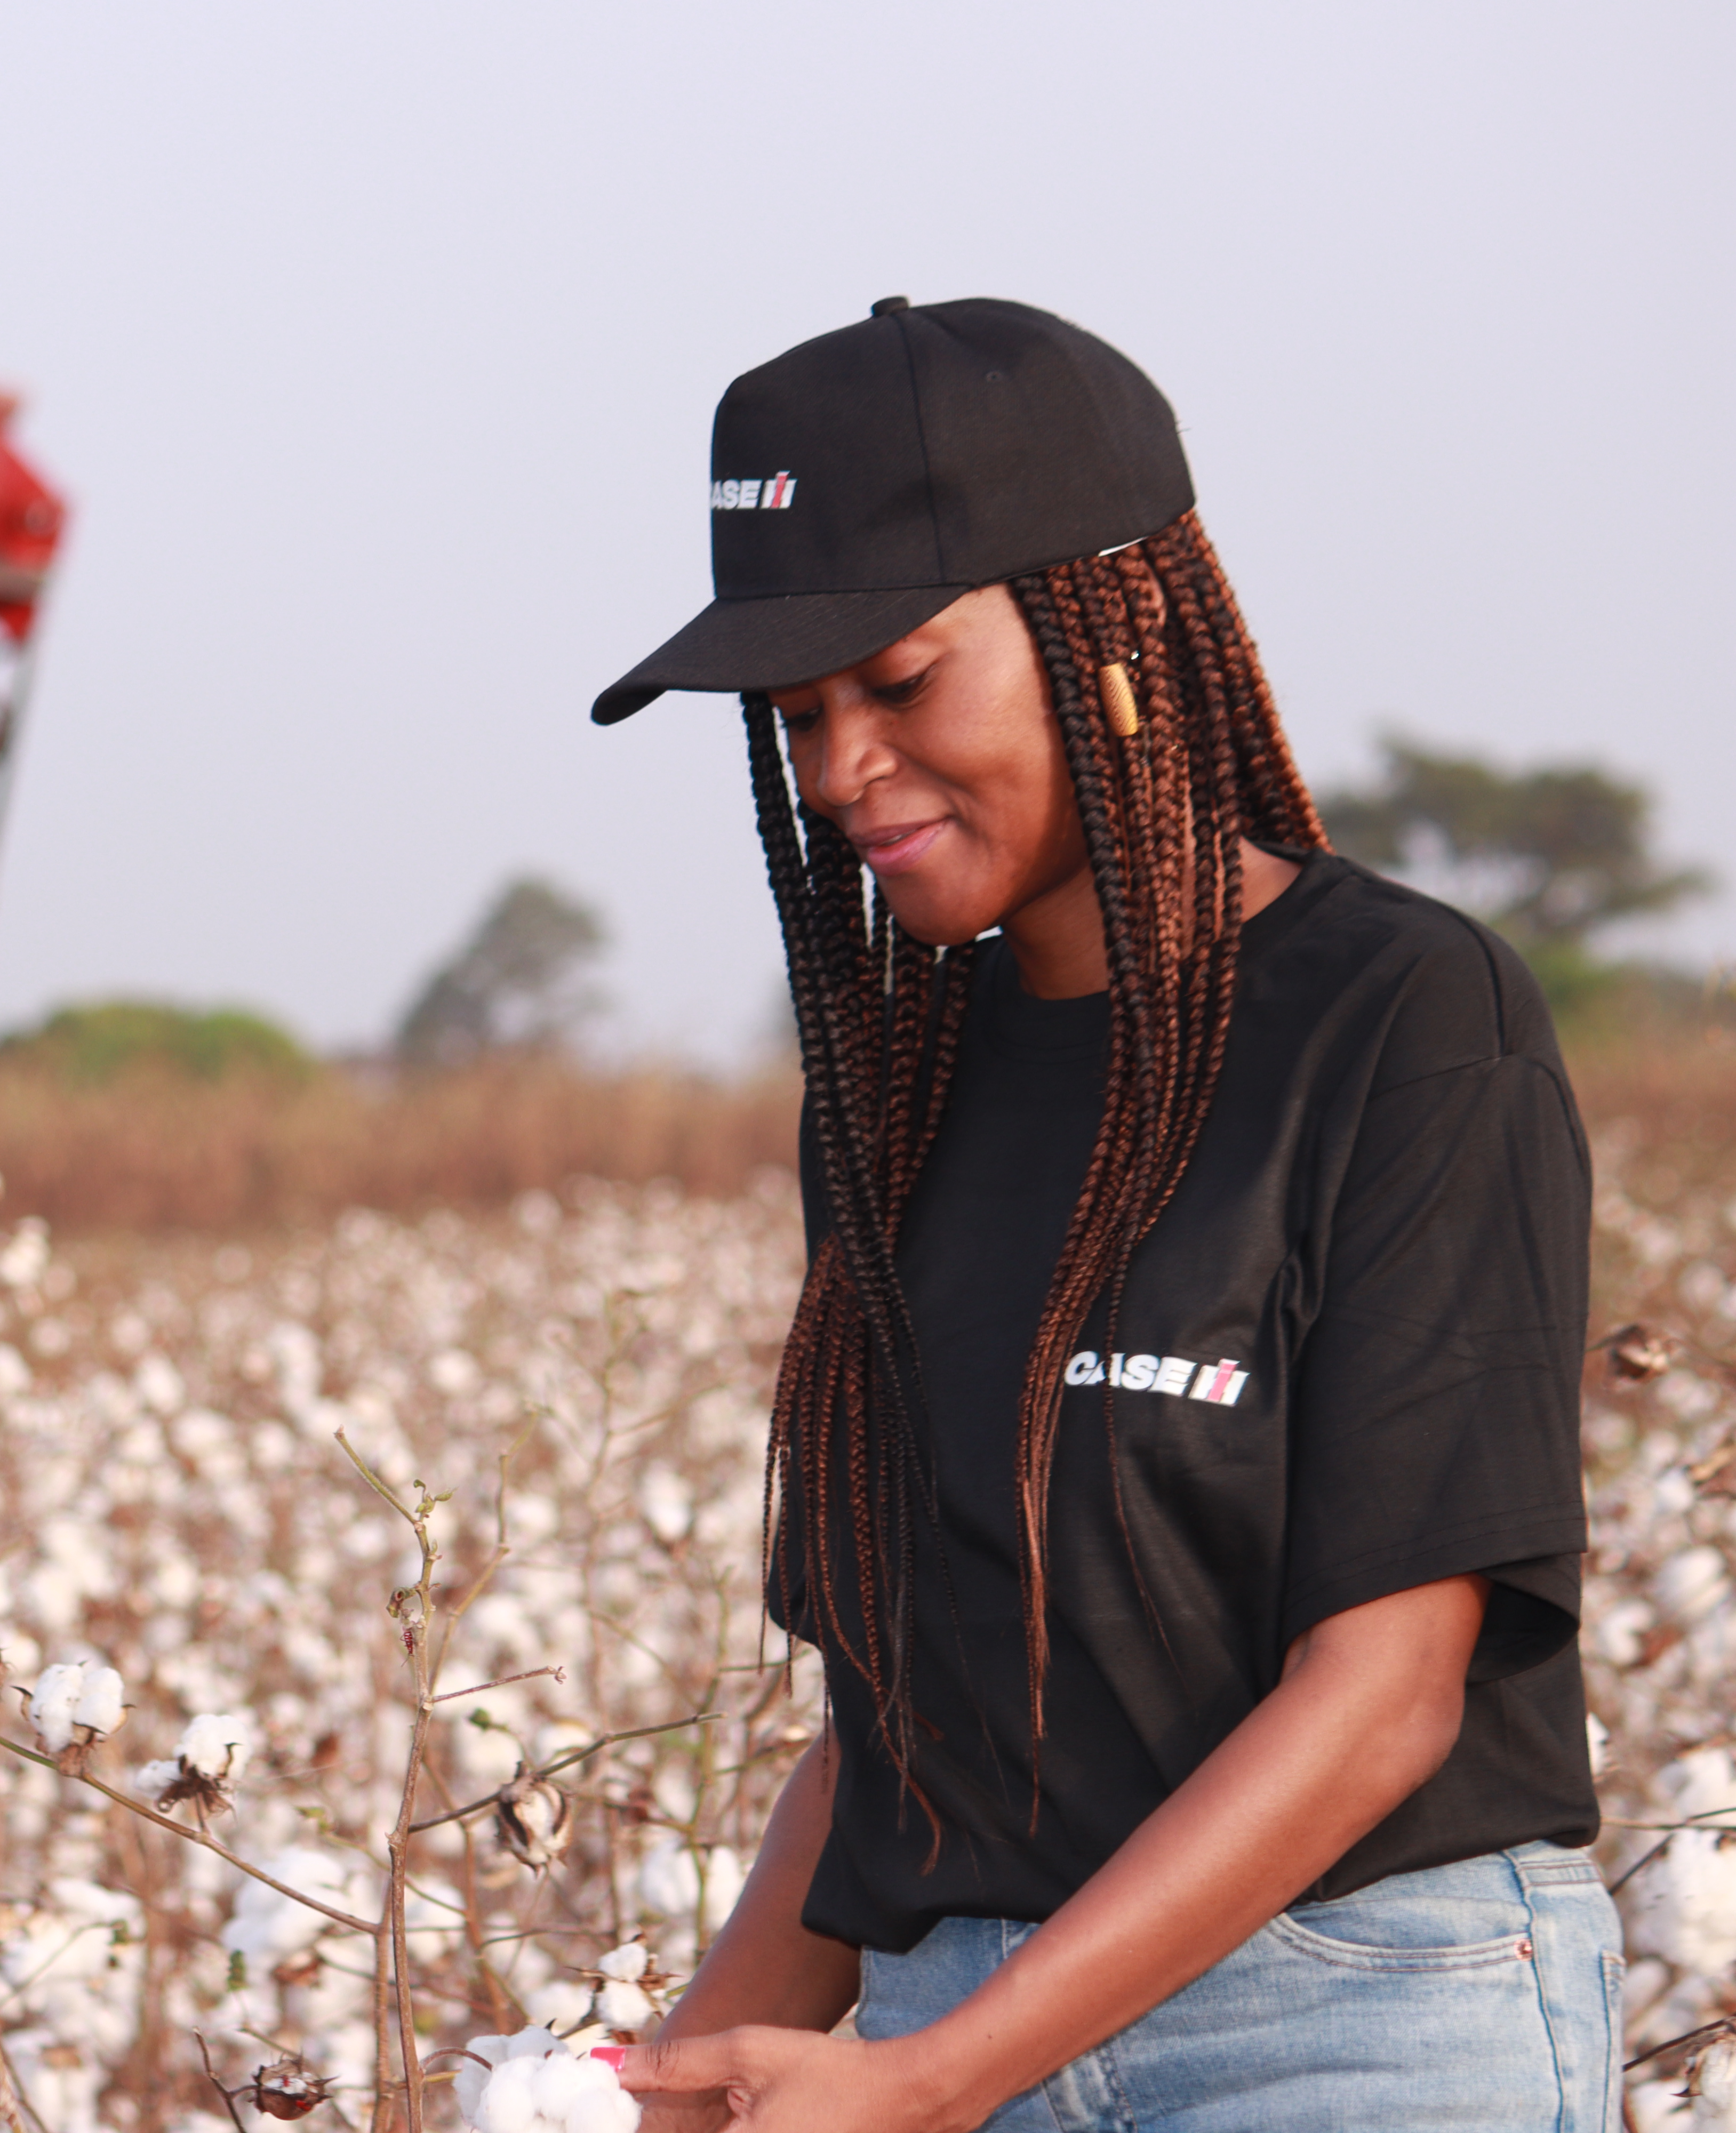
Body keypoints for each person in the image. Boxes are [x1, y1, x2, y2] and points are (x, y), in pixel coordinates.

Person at [587, 299, 1613, 2131]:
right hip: (931, 2027)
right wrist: (652, 2089)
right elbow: (891, 1729)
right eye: (797, 716)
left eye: (898, 682)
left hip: (1347, 2021)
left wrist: (935, 2081)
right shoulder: (894, 1091)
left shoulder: (1405, 1021)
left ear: (1116, 621)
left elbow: (1387, 1692)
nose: (836, 770)